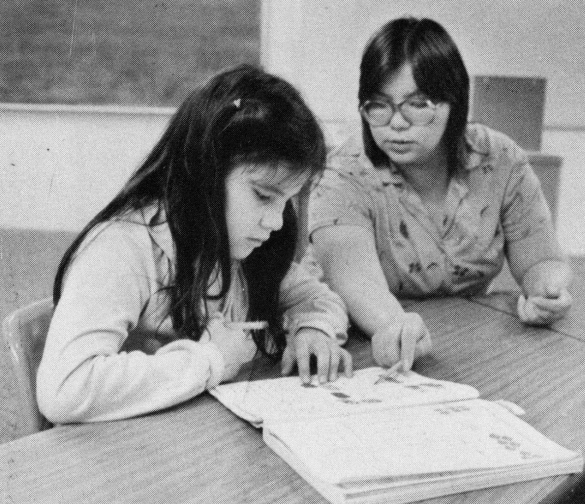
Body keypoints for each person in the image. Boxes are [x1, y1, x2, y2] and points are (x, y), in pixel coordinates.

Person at [36, 64, 352, 424]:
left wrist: (313, 328)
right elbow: (65, 390)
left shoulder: (240, 244)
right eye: (264, 196)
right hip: (115, 462)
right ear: (205, 171)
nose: (277, 221)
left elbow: (315, 297)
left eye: (287, 201)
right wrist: (211, 359)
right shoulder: (122, 248)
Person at [306, 17, 572, 372]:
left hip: (465, 344)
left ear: (454, 103)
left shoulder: (500, 159)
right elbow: (357, 284)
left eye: (417, 104)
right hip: (364, 347)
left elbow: (540, 259)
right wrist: (395, 326)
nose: (396, 123)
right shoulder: (344, 175)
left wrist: (545, 292)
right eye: (379, 105)